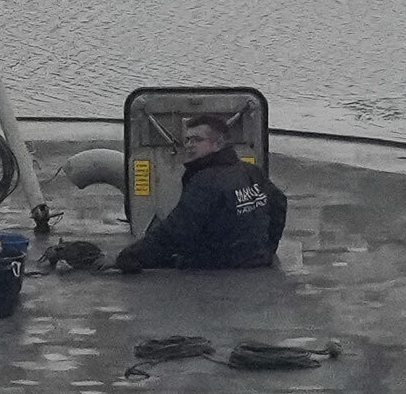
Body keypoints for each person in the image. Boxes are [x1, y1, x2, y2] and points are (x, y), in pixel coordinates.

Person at [111, 115, 287, 275]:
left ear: (219, 144)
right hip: (255, 260)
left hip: (216, 266)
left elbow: (176, 231)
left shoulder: (205, 182)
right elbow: (279, 204)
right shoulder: (251, 171)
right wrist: (268, 249)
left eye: (197, 140)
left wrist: (128, 257)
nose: (189, 145)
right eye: (187, 140)